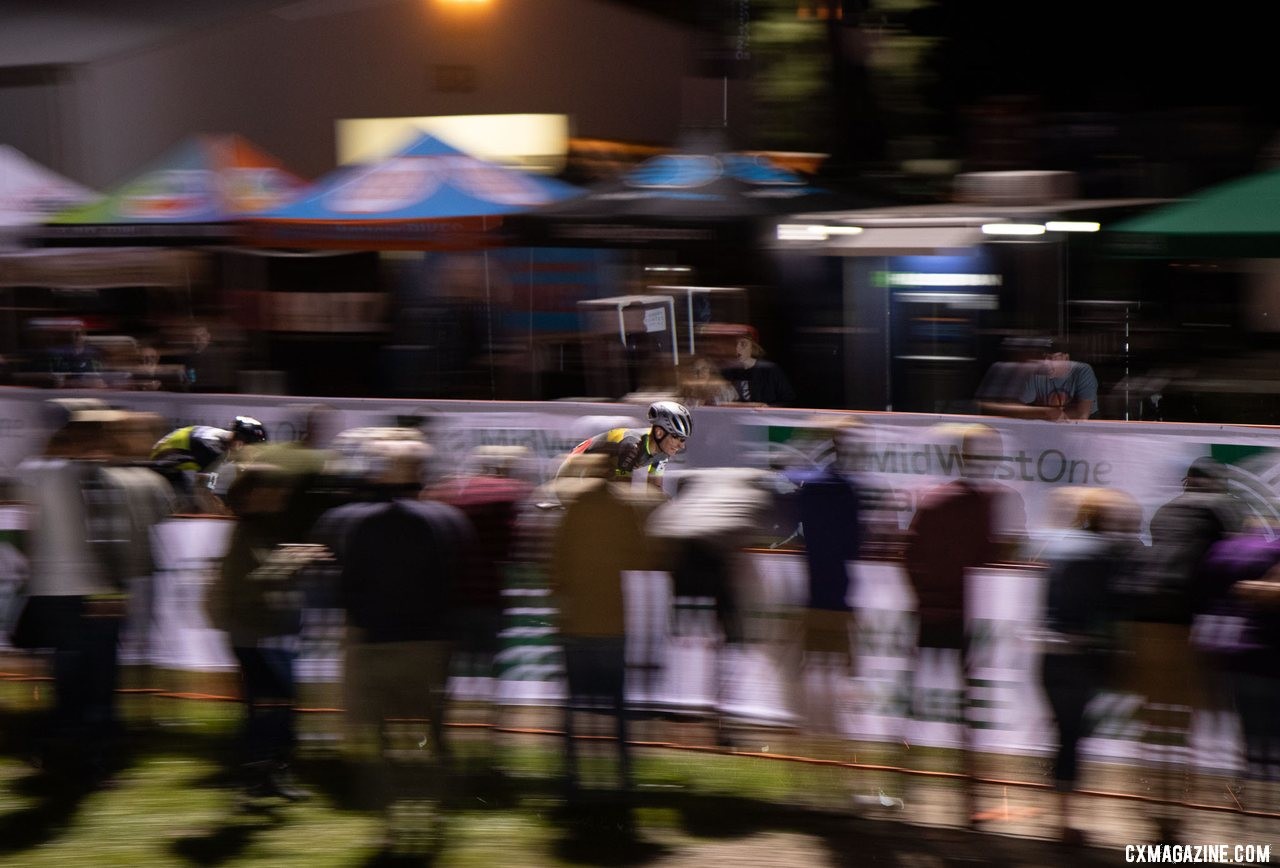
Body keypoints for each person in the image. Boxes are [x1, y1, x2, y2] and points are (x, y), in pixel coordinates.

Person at [565, 400, 692, 487]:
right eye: (676, 437)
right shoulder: (632, 445)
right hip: (576, 464)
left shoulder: (663, 452)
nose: (682, 446)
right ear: (659, 433)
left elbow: (654, 487)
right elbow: (623, 488)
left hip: (600, 471)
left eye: (682, 439)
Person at [149, 415, 267, 507]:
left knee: (198, 501)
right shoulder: (213, 448)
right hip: (161, 466)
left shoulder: (226, 444)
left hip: (171, 466)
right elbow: (203, 491)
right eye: (254, 450)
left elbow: (238, 480)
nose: (254, 455)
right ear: (240, 443)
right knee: (188, 505)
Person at [978, 337, 1098, 421]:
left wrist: (1045, 415)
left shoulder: (1083, 371)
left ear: (1066, 358)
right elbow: (1018, 408)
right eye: (1045, 358)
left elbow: (1082, 415)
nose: (1046, 363)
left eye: (1052, 358)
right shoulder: (1037, 372)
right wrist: (1043, 413)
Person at [720, 335, 795, 406]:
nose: (737, 348)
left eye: (743, 344)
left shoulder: (770, 370)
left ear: (753, 348)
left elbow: (788, 398)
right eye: (734, 345)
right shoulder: (728, 372)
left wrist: (768, 407)